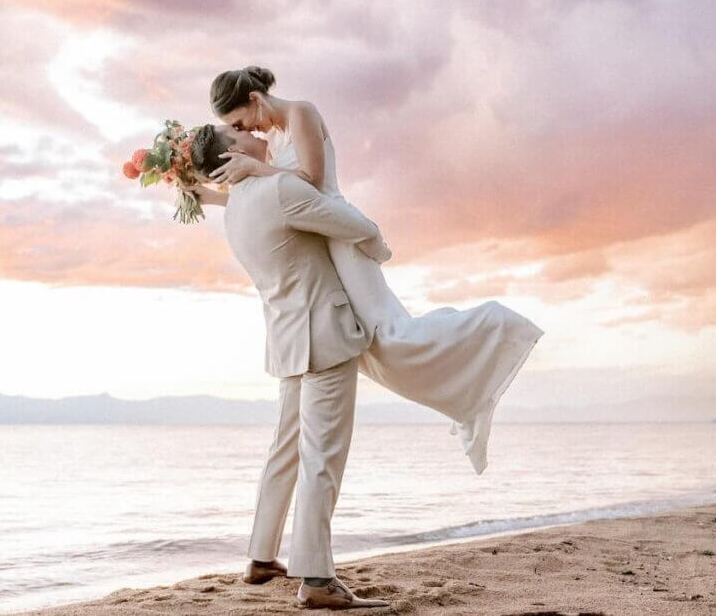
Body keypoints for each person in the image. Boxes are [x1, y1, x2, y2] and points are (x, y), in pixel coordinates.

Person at [197, 65, 545, 476]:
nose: (243, 134)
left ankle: (496, 326)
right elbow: (272, 198)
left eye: (238, 123)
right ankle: (463, 399)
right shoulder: (273, 137)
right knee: (376, 349)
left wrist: (258, 169)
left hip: (342, 239)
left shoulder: (301, 114)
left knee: (391, 335)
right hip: (320, 242)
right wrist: (209, 196)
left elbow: (309, 180)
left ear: (254, 101)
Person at [188, 123, 391, 609]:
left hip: (286, 341)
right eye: (236, 130)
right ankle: (317, 580)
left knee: (285, 450)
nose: (251, 131)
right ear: (234, 151)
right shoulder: (278, 188)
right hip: (324, 336)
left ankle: (261, 557)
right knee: (323, 458)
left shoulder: (234, 208)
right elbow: (355, 225)